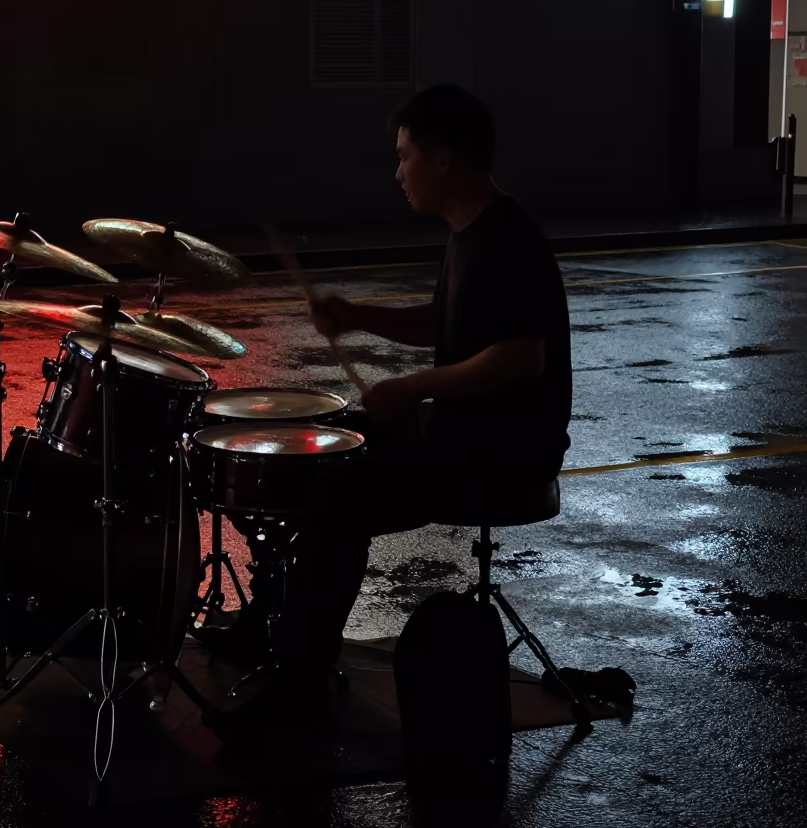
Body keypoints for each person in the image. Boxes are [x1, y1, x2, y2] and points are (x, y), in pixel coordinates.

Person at [210, 83, 572, 739]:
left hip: (503, 452)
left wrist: (411, 389)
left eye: (405, 156)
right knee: (316, 445)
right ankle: (267, 626)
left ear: (444, 160)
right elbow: (444, 322)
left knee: (338, 495)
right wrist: (355, 317)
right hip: (461, 433)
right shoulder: (468, 233)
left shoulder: (508, 237)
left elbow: (522, 358)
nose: (397, 171)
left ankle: (301, 685)